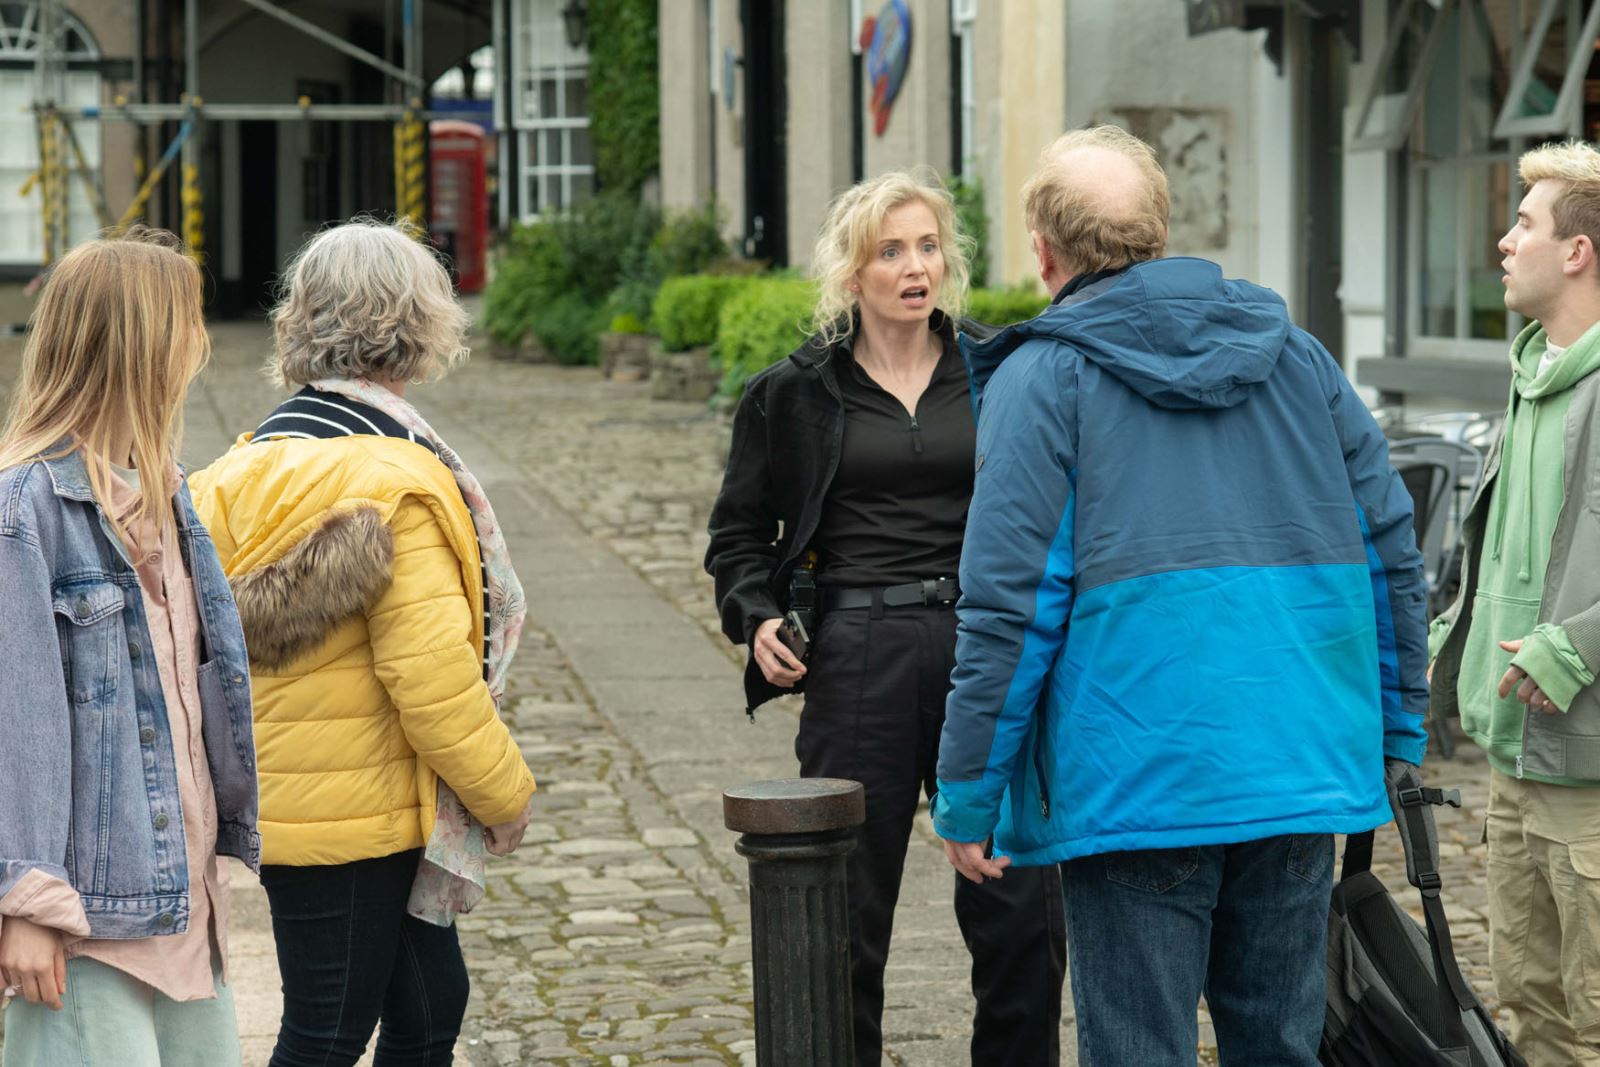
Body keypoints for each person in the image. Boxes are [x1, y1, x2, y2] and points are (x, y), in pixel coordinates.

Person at [931, 125, 1429, 1065]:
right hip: (1292, 763)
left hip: (1137, 774)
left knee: (1136, 1048)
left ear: (1045, 250)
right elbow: (1388, 547)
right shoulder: (1299, 357)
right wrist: (1400, 723)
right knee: (1280, 1043)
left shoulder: (1045, 377)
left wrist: (967, 791)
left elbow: (1008, 605)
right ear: (1159, 230)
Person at [706, 170, 1067, 1066]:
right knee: (845, 911)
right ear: (853, 273)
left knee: (1019, 906)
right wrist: (754, 615)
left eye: (929, 246)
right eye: (891, 250)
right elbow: (738, 535)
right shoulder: (792, 392)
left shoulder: (1001, 370)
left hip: (988, 650)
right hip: (857, 656)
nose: (916, 267)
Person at [188, 220, 537, 1066]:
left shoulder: (232, 468)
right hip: (352, 817)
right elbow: (431, 679)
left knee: (426, 1003)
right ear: (418, 325)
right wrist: (504, 793)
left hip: (295, 805)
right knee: (328, 1026)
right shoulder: (398, 473)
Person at [0, 228, 259, 1066]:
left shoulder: (170, 496)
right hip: (87, 926)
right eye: (186, 319)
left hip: (182, 907)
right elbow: (18, 719)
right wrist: (27, 899)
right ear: (142, 342)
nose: (200, 341)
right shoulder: (26, 510)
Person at [1429, 141, 1600, 1066]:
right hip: (1514, 753)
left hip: (1592, 767)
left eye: (1524, 223)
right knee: (1531, 1011)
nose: (1503, 241)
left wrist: (1568, 649)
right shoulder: (1530, 378)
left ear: (1577, 251)